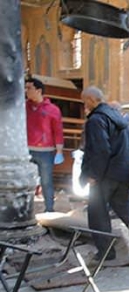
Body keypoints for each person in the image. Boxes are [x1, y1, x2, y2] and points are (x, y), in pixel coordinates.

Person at [80, 86, 129, 262]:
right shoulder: (117, 117)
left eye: (84, 102)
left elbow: (100, 150)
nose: (84, 106)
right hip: (122, 173)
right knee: (126, 212)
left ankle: (106, 253)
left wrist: (93, 175)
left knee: (97, 214)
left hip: (104, 175)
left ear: (91, 100)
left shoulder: (96, 120)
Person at [25, 77, 64, 212]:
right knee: (26, 181)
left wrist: (59, 151)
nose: (26, 91)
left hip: (46, 151)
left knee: (46, 181)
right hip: (27, 150)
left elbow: (58, 131)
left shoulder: (52, 110)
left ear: (39, 90)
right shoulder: (24, 107)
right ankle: (25, 209)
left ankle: (49, 208)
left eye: (29, 88)